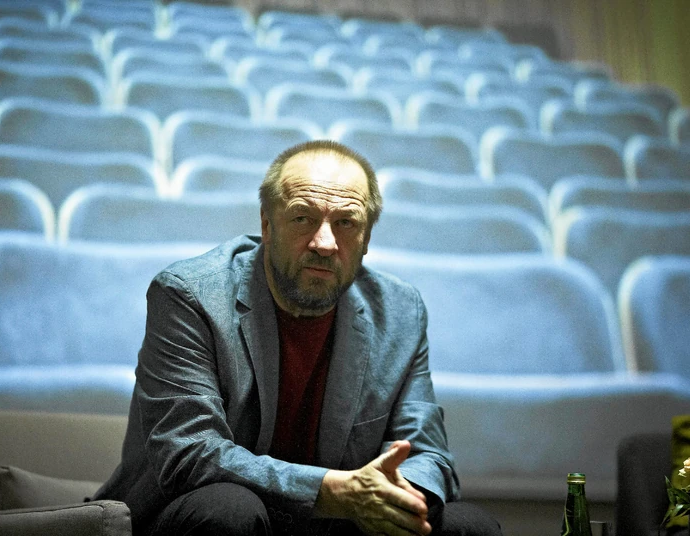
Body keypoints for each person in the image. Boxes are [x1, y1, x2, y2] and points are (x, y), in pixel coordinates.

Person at [95, 140, 502, 536]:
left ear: (366, 240)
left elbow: (427, 452)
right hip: (196, 511)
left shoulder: (399, 311)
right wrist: (334, 491)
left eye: (346, 223)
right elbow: (190, 453)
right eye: (303, 218)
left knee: (468, 526)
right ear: (267, 226)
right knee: (229, 509)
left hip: (334, 523)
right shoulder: (190, 295)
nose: (324, 243)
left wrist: (394, 496)